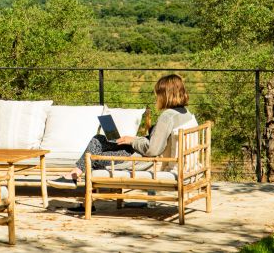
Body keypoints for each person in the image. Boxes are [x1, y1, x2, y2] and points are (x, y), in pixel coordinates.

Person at [48, 73, 195, 190]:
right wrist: (134, 139)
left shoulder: (167, 116)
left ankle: (74, 178)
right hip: (137, 149)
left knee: (92, 156)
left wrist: (133, 140)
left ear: (165, 94)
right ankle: (73, 175)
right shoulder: (183, 113)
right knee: (99, 138)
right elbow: (157, 141)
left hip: (140, 158)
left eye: (158, 94)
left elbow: (152, 149)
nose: (156, 98)